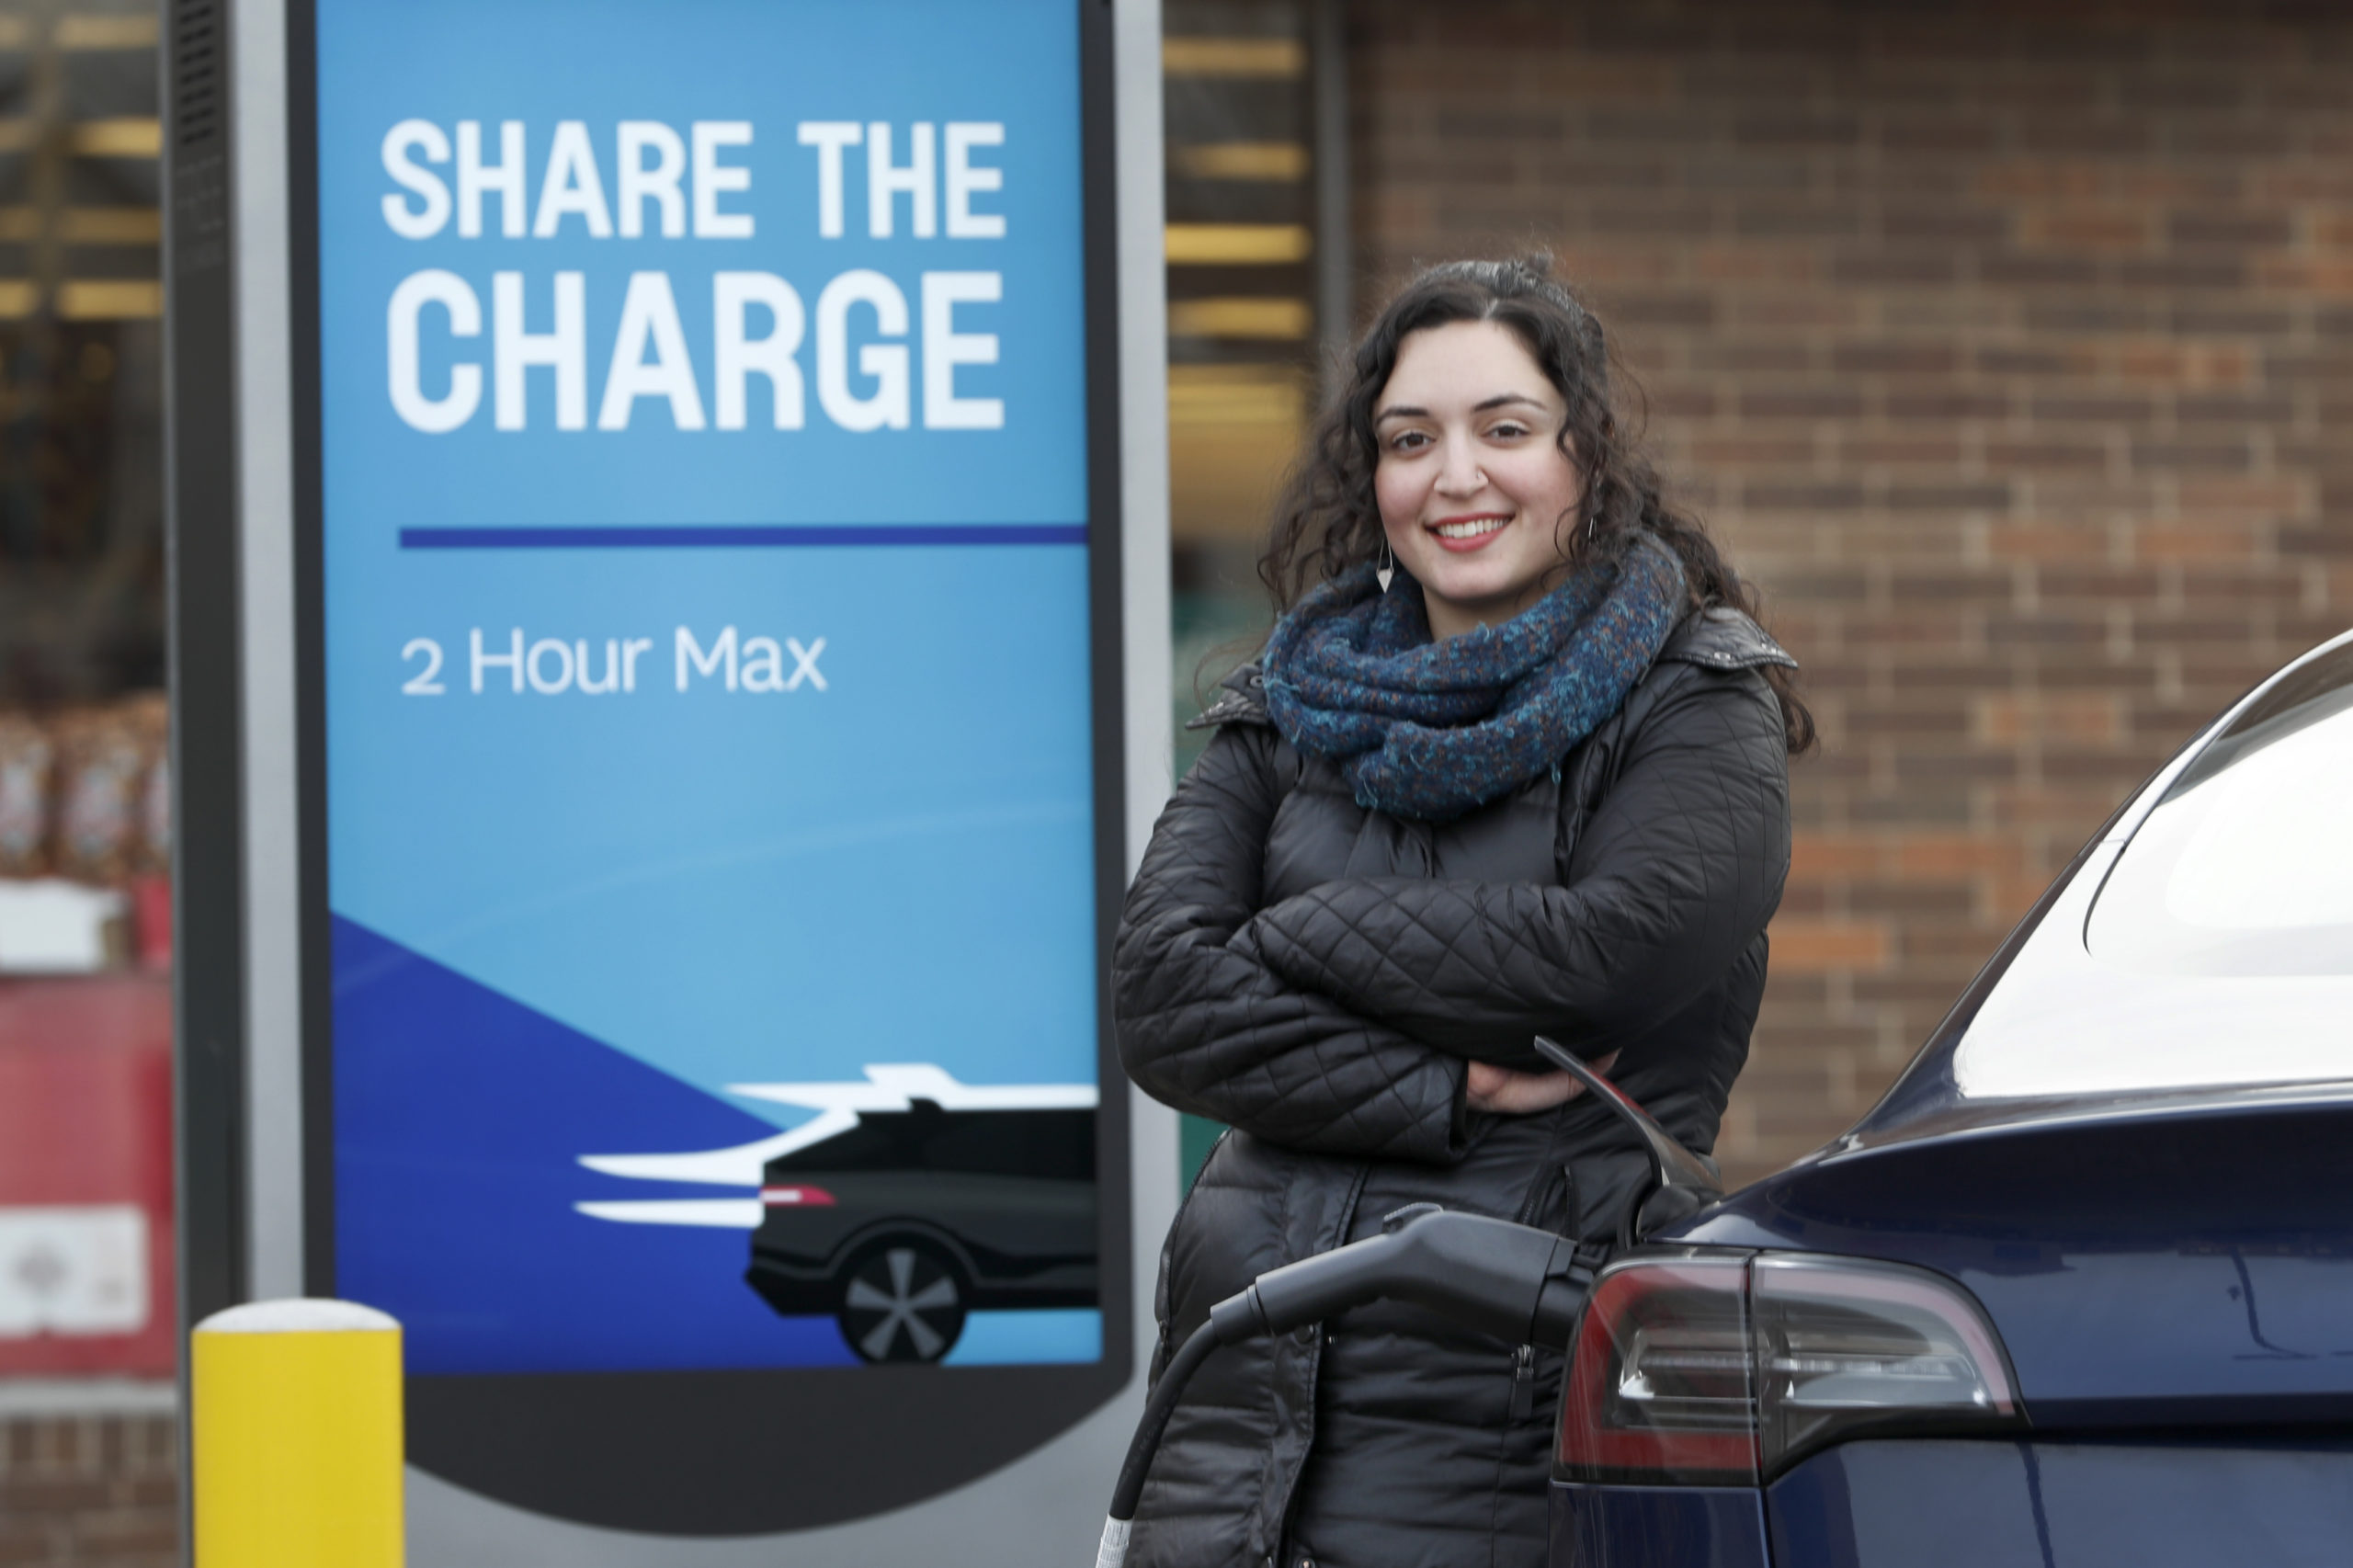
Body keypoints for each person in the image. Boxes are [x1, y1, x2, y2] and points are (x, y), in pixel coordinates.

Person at [1112, 256, 1810, 1568]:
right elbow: (1159, 998)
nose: (1456, 476)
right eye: (1409, 439)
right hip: (1225, 1443)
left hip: (1504, 1439)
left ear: (1586, 458)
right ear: (1371, 480)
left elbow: (1606, 959)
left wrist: (1286, 941)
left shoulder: (1697, 705)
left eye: (1505, 429)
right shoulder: (1288, 702)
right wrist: (1445, 1082)